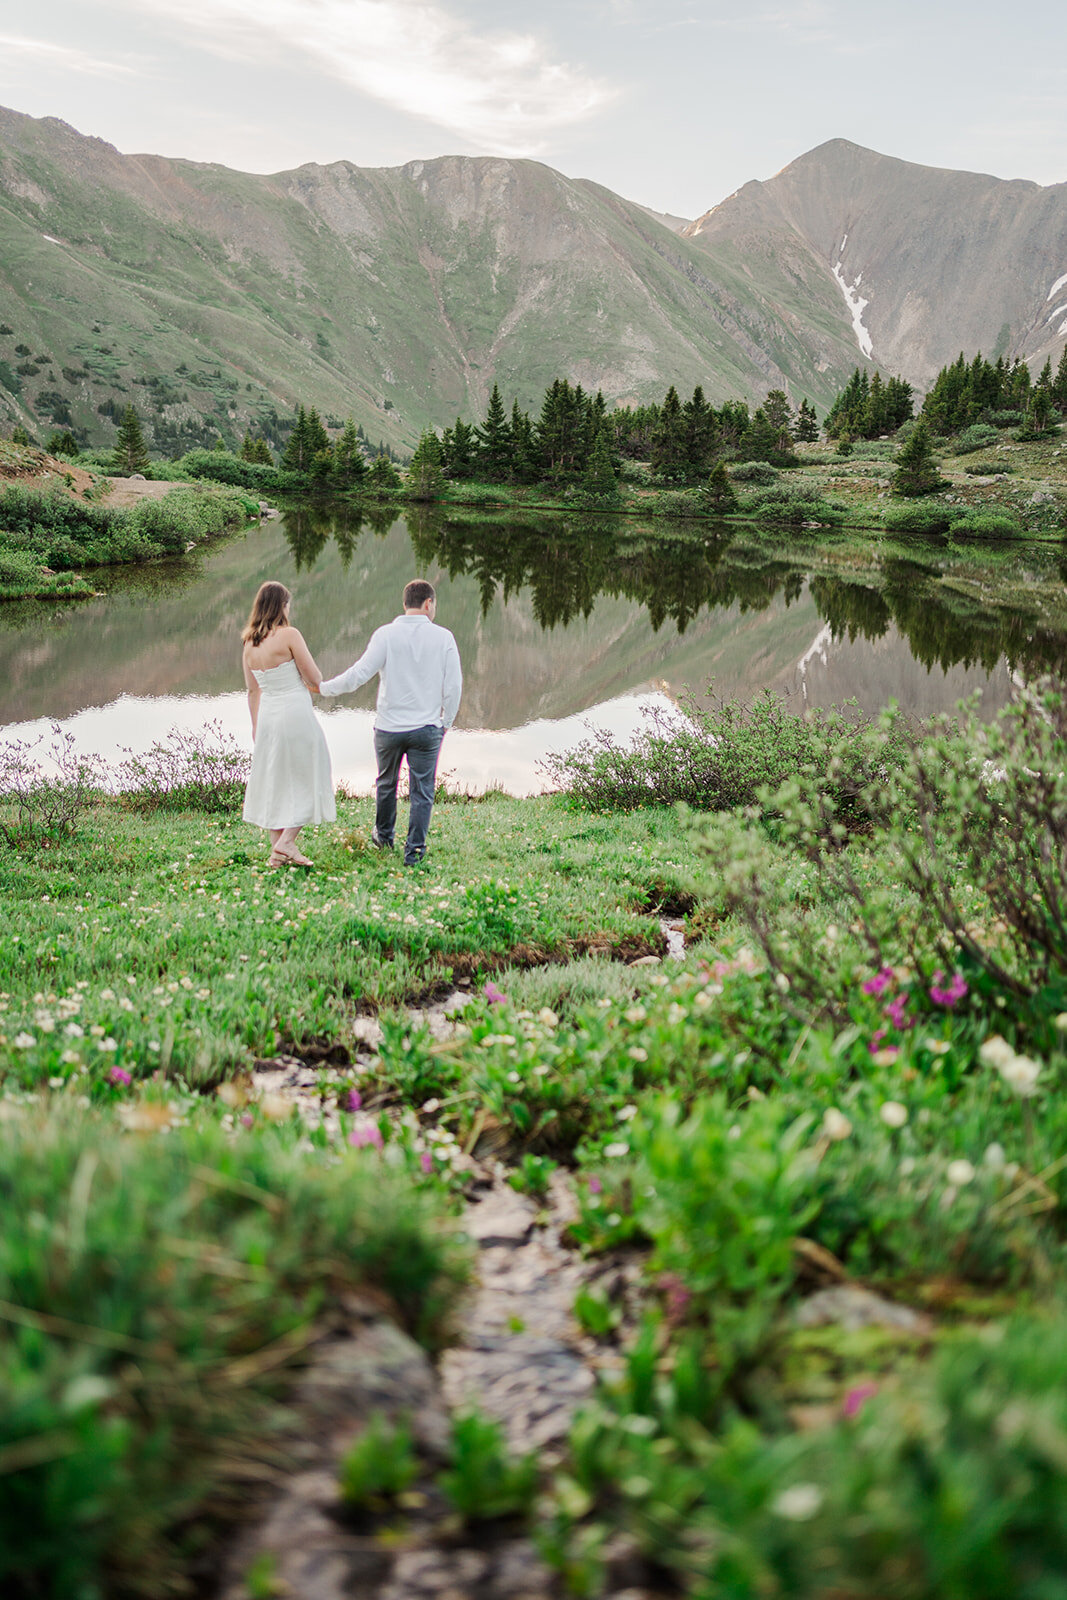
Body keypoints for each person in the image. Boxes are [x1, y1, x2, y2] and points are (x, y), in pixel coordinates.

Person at [318, 579, 462, 865]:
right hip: (426, 729)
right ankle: (414, 852)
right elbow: (453, 686)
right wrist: (446, 723)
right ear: (429, 603)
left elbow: (358, 674)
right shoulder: (444, 637)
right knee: (422, 790)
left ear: (404, 603)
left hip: (388, 728)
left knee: (386, 783)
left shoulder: (385, 635)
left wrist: (323, 688)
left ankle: (384, 838)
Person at [241, 580, 335, 868]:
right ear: (281, 606)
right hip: (294, 713)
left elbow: (253, 690)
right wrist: (319, 687)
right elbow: (314, 677)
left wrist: (256, 726)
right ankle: (286, 842)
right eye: (287, 603)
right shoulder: (290, 635)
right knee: (312, 770)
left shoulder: (249, 643)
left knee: (275, 781)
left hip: (267, 717)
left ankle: (276, 854)